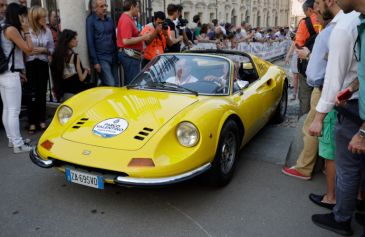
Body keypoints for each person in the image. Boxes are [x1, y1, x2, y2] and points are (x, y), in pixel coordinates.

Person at [306, 6, 361, 235]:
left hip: (351, 108)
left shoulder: (344, 27)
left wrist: (319, 116)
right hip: (352, 100)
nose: (317, 8)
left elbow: (333, 77)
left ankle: (341, 218)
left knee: (347, 167)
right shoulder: (356, 22)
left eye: (320, 3)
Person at [0, 3, 33, 153]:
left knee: (7, 109)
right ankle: (18, 145)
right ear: (17, 15)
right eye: (23, 15)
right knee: (14, 110)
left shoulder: (3, 28)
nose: (24, 18)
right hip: (10, 75)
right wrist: (27, 32)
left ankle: (12, 139)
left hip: (5, 74)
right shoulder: (11, 29)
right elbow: (29, 50)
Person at [25, 6, 54, 134]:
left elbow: (52, 48)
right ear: (36, 18)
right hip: (30, 64)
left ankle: (42, 120)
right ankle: (32, 122)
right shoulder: (27, 31)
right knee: (32, 94)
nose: (46, 19)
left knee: (42, 93)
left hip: (42, 63)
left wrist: (45, 50)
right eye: (43, 17)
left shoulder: (47, 31)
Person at [295, 0, 321, 118]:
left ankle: (304, 123)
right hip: (326, 69)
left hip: (307, 67)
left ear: (309, 10)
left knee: (305, 96)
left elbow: (298, 46)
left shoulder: (305, 23)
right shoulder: (330, 20)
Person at [51, 29, 91, 102]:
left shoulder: (56, 56)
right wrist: (86, 70)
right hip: (75, 92)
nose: (77, 41)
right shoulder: (75, 56)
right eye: (74, 38)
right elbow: (81, 78)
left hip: (62, 93)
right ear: (68, 40)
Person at [117, 0, 149, 85]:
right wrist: (143, 37)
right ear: (132, 7)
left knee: (131, 82)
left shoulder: (128, 19)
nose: (138, 9)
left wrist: (141, 35)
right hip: (129, 56)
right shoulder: (126, 19)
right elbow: (126, 41)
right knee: (132, 84)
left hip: (132, 56)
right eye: (137, 7)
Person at [87, 0, 118, 87]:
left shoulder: (110, 20)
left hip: (113, 57)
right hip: (102, 58)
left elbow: (114, 39)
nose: (104, 8)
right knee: (111, 84)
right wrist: (96, 62)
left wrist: (117, 55)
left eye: (105, 6)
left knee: (116, 84)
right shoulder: (91, 20)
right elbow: (90, 42)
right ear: (95, 8)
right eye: (101, 6)